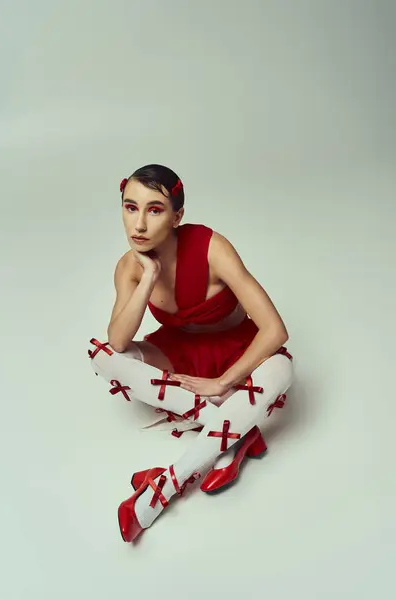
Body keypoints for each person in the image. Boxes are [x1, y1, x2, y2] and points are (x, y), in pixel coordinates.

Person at [88, 163, 293, 543]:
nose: (139, 225)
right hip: (179, 351)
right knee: (101, 355)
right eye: (130, 207)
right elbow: (118, 341)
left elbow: (275, 329)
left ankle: (163, 488)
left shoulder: (213, 248)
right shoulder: (129, 266)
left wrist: (222, 382)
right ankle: (234, 430)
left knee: (281, 371)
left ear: (177, 215)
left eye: (155, 210)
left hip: (237, 350)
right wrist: (148, 276)